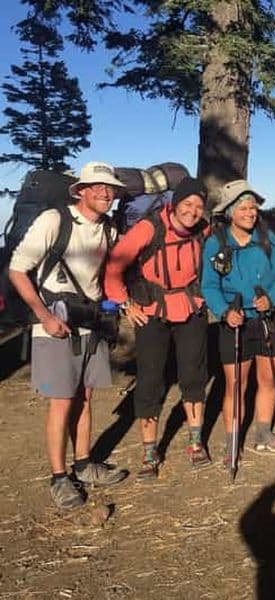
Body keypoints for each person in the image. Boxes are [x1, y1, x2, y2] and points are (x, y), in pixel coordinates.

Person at [9, 161, 129, 509]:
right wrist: (43, 316)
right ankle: (59, 477)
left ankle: (84, 463)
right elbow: (18, 269)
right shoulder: (55, 220)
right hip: (55, 322)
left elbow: (113, 271)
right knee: (61, 400)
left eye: (111, 189)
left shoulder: (108, 229)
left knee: (86, 397)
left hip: (90, 319)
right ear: (82, 190)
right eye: (98, 187)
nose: (106, 193)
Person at [105, 176, 211, 479]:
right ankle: (150, 452)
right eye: (187, 204)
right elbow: (114, 265)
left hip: (191, 308)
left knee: (194, 374)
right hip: (151, 311)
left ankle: (195, 441)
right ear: (175, 203)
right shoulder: (149, 228)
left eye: (198, 206)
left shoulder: (203, 230)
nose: (192, 211)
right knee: (150, 380)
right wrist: (125, 303)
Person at [201, 180, 275, 460]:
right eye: (243, 208)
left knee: (268, 378)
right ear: (229, 211)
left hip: (267, 318)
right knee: (236, 384)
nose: (250, 213)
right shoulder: (216, 243)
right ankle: (232, 441)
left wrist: (272, 298)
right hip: (234, 321)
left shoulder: (267, 238)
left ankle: (263, 433)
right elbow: (209, 285)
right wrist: (224, 312)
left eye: (253, 207)